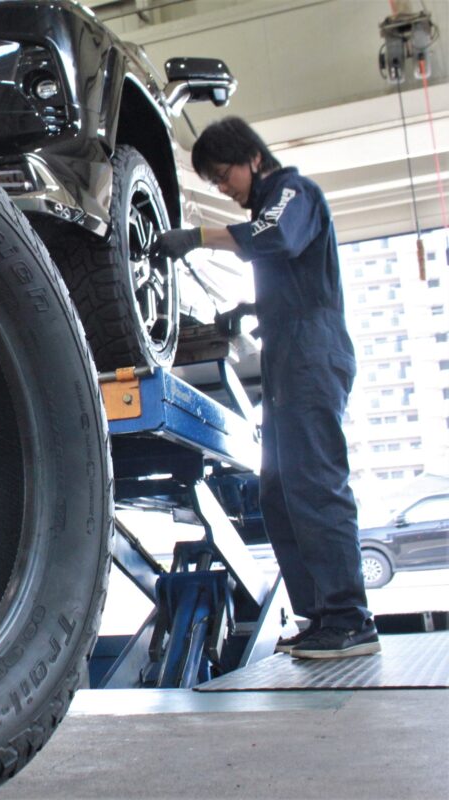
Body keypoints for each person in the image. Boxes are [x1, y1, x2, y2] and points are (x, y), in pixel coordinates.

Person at [151, 116, 379, 660]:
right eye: (214, 182)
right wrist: (250, 308)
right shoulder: (270, 203)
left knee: (314, 481)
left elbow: (275, 237)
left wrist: (196, 238)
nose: (223, 188)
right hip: (287, 350)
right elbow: (294, 272)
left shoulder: (293, 191)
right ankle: (321, 616)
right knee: (278, 491)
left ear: (253, 158)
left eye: (224, 174)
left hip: (311, 350)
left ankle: (350, 619)